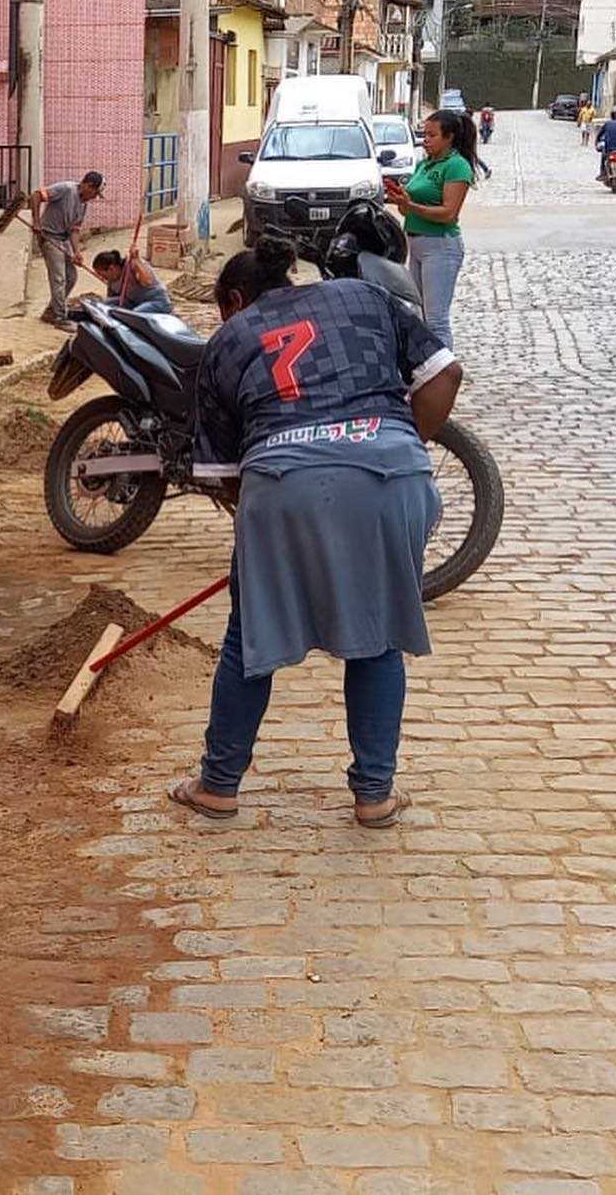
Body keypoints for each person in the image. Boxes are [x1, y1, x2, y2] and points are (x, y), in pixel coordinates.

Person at [170, 235, 463, 828]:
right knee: (378, 637)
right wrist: (403, 447)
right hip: (390, 474)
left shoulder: (228, 339)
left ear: (233, 300)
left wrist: (266, 536)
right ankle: (374, 796)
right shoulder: (364, 294)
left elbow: (225, 478)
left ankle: (219, 785)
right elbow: (445, 375)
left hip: (284, 482)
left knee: (248, 642)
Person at [384, 108, 476, 351]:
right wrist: (403, 201)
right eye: (424, 134)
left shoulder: (456, 166)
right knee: (417, 312)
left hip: (441, 246)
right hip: (416, 243)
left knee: (436, 318)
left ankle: (445, 370)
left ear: (450, 137)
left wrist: (411, 205)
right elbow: (408, 211)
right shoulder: (424, 164)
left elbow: (449, 213)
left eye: (432, 135)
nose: (426, 140)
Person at [30, 171, 104, 330]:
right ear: (88, 186)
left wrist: (77, 252)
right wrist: (36, 222)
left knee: (71, 277)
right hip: (49, 236)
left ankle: (51, 311)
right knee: (59, 278)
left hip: (64, 239)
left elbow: (74, 230)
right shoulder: (65, 189)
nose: (94, 197)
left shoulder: (83, 204)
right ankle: (59, 317)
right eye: (95, 193)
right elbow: (36, 195)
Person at [93, 247, 173, 316]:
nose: (101, 277)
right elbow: (112, 297)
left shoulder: (132, 266)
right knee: (103, 304)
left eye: (101, 274)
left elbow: (147, 281)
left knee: (133, 316)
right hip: (133, 301)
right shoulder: (111, 280)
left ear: (111, 268)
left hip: (156, 301)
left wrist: (136, 259)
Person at [596, 106, 616, 181]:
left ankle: (602, 173)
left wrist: (596, 143)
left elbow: (599, 135)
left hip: (610, 150)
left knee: (603, 157)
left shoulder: (608, 123)